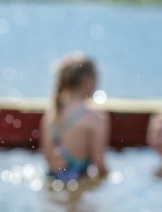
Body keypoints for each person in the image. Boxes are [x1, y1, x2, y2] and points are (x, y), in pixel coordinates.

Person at [40, 53, 110, 184]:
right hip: (79, 184)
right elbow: (99, 165)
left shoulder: (50, 113)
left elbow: (46, 157)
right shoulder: (95, 117)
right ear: (87, 80)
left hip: (51, 182)